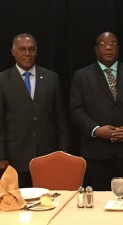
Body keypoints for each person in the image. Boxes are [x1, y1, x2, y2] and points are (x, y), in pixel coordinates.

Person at [70, 31, 123, 191]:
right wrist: (96, 130)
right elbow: (76, 109)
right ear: (95, 49)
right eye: (103, 43)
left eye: (113, 44)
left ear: (119, 48)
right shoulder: (81, 76)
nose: (108, 47)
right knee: (100, 203)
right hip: (97, 152)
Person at [0, 33, 69, 187]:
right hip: (15, 158)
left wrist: (63, 152)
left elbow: (60, 120)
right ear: (13, 52)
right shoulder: (2, 80)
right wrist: (1, 156)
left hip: (48, 155)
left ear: (36, 51)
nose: (27, 53)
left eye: (31, 49)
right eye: (22, 49)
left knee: (50, 203)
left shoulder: (51, 78)